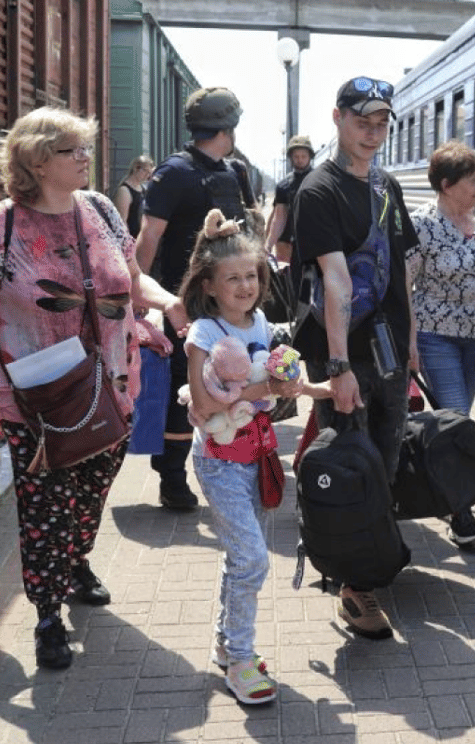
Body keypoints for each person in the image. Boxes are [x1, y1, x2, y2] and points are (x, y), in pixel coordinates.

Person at [0, 106, 185, 670]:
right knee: (46, 504)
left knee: (93, 489)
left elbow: (130, 275)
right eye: (72, 150)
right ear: (36, 160)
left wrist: (165, 299)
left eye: (85, 148)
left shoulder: (99, 209)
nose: (86, 158)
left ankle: (75, 560)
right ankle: (47, 612)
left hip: (113, 383)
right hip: (36, 396)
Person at [178, 209, 329, 705]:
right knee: (252, 561)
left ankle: (228, 644)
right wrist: (270, 385)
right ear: (209, 286)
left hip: (257, 455)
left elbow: (275, 381)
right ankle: (241, 661)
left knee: (240, 560)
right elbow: (204, 404)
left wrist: (315, 387)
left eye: (251, 275)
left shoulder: (262, 321)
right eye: (233, 278)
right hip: (220, 460)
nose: (245, 286)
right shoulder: (203, 332)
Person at [294, 76, 419, 640]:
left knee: (385, 460)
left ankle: (365, 559)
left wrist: (412, 341)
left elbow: (402, 273)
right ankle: (353, 587)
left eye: (382, 123)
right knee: (350, 463)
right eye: (363, 121)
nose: (373, 133)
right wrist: (339, 369)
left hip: (390, 350)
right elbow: (336, 281)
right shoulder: (319, 190)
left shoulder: (388, 186)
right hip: (343, 352)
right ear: (338, 117)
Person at [136, 87, 259, 512]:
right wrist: (138, 295)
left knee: (238, 382)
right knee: (180, 391)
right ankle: (172, 478)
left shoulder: (233, 172)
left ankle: (237, 465)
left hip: (227, 303)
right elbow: (148, 237)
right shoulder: (175, 173)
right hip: (183, 304)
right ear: (230, 125)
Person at [405, 141, 475, 546]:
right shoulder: (422, 224)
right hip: (437, 337)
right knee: (456, 421)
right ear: (446, 185)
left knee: (459, 418)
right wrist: (410, 339)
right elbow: (405, 283)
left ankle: (444, 495)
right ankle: (460, 511)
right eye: (472, 181)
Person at [267, 134, 315, 264]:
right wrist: (268, 245)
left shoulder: (320, 181)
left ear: (310, 157)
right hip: (286, 245)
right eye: (296, 156)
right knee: (287, 282)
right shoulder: (284, 185)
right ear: (291, 158)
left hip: (314, 244)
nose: (300, 160)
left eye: (303, 156)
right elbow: (279, 217)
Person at [113, 155, 154, 237]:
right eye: (146, 171)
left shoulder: (143, 189)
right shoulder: (124, 190)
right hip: (129, 239)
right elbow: (122, 221)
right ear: (136, 168)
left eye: (149, 173)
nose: (148, 175)